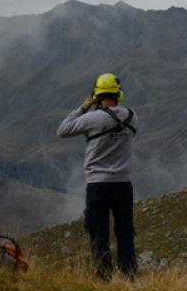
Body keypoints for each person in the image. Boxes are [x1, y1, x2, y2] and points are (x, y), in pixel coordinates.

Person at [57, 72, 138, 278]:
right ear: (118, 94)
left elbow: (62, 130)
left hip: (97, 185)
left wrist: (84, 107)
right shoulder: (132, 116)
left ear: (96, 94)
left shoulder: (91, 118)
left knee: (98, 233)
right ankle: (129, 276)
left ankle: (103, 278)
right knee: (125, 232)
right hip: (123, 185)